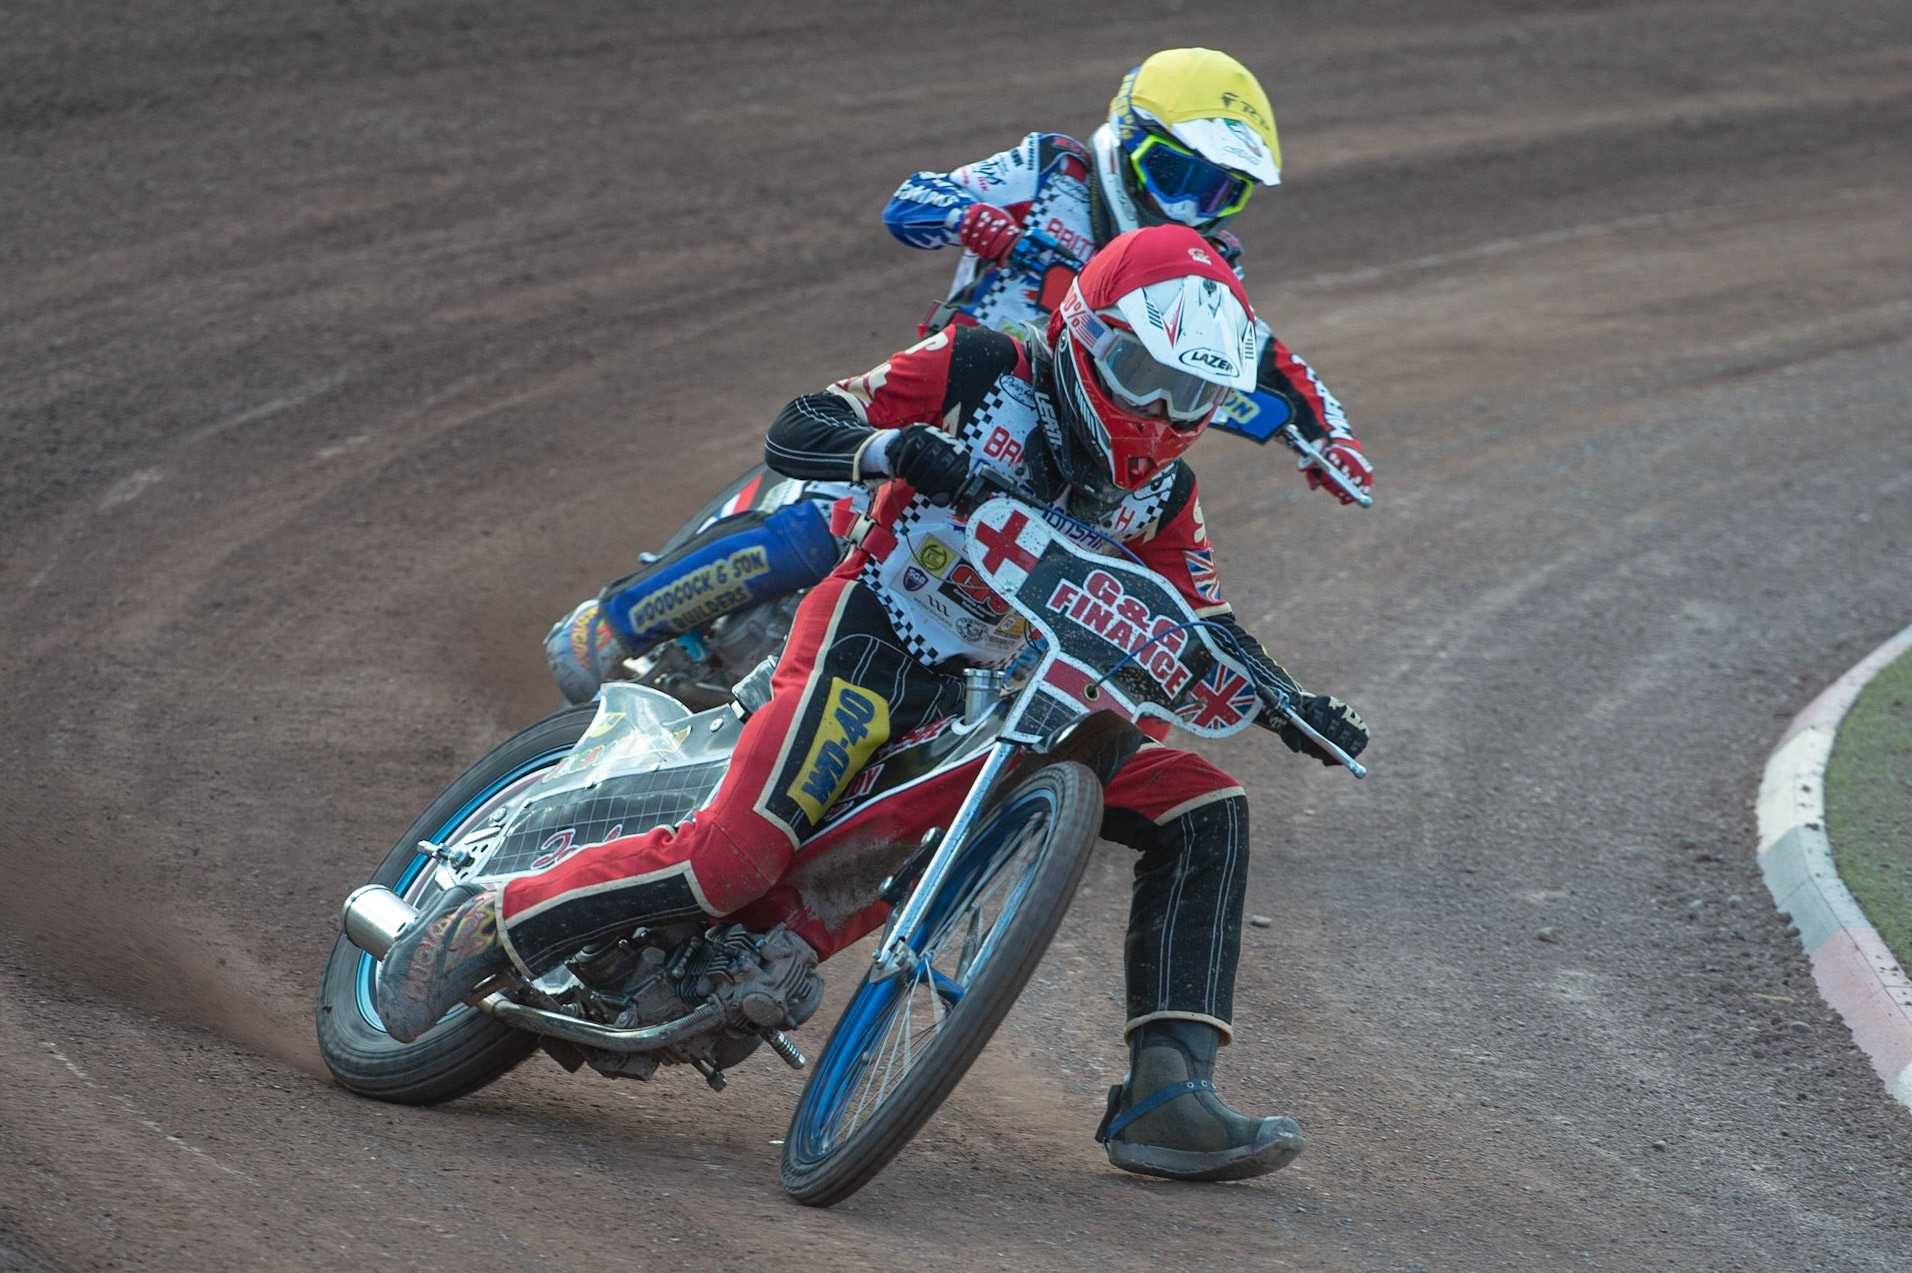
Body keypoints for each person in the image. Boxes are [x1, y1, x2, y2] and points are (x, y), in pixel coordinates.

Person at [380, 225, 1370, 1182]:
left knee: (1205, 803)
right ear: (1083, 336)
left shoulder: (1166, 496)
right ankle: (493, 920)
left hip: (1008, 695)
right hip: (875, 634)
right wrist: (897, 453)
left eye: (1192, 393)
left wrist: (1285, 697)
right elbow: (803, 421)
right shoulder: (990, 370)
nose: (1160, 413)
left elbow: (1203, 617)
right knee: (735, 860)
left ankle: (1167, 1089)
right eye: (1146, 378)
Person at [543, 48, 1370, 706]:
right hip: (955, 397)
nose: (1193, 208)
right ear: (1129, 141)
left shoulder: (1198, 266)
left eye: (1222, 191)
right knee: (828, 523)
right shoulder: (1057, 172)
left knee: (1085, 595)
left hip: (1069, 451)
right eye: (1179, 177)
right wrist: (971, 218)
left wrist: (1323, 429)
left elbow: (1255, 349)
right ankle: (614, 621)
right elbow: (910, 200)